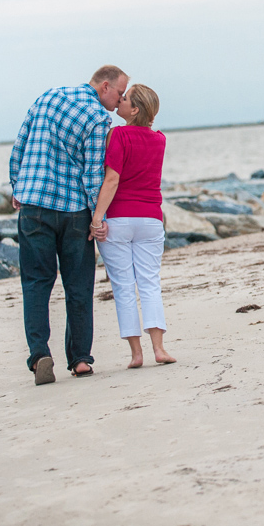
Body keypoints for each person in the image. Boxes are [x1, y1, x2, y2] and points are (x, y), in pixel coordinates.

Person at [9, 65, 128, 386]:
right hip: (73, 211)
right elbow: (92, 173)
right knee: (78, 285)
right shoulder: (97, 117)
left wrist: (17, 187)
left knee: (36, 283)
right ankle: (79, 359)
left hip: (34, 206)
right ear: (105, 86)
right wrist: (96, 216)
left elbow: (19, 146)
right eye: (119, 93)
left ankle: (38, 355)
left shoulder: (47, 98)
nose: (121, 102)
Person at [90, 83, 176, 369]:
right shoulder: (160, 139)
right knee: (150, 283)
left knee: (124, 287)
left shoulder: (118, 134)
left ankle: (136, 354)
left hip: (119, 219)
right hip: (151, 219)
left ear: (135, 109)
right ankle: (159, 349)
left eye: (124, 99)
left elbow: (112, 179)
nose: (119, 102)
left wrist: (97, 217)